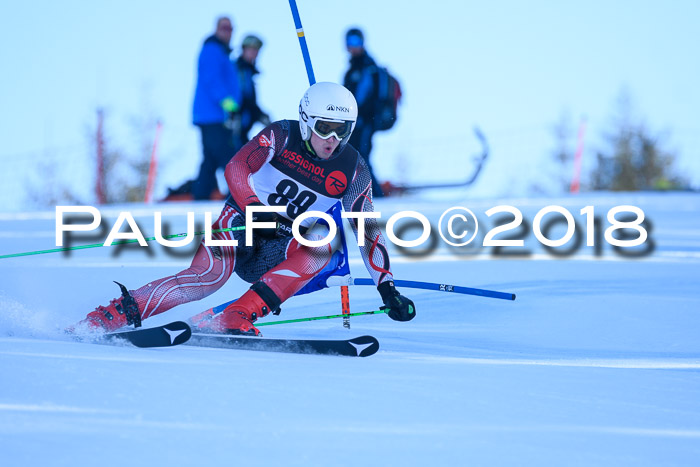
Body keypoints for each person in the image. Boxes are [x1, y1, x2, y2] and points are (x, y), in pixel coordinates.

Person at [72, 82, 416, 336]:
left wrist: (386, 286)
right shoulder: (281, 135)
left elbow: (368, 229)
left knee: (324, 245)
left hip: (281, 247)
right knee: (207, 279)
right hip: (242, 223)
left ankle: (238, 314)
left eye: (342, 130)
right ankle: (112, 315)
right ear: (306, 120)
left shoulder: (353, 168)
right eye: (324, 127)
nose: (332, 139)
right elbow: (236, 168)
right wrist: (254, 210)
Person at [191, 16, 241, 201]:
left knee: (210, 160)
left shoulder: (220, 51)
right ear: (216, 29)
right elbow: (212, 81)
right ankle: (236, 196)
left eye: (230, 28)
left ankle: (200, 196)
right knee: (228, 157)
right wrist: (230, 105)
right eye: (224, 28)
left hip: (211, 116)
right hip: (212, 116)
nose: (227, 32)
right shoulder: (212, 50)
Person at [343, 27, 383, 198]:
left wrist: (358, 117)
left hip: (364, 123)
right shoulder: (353, 69)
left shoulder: (367, 68)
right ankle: (359, 195)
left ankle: (378, 197)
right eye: (350, 42)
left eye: (356, 42)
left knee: (361, 158)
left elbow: (361, 98)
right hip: (356, 124)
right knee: (353, 158)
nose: (353, 46)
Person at [231, 34, 271, 153]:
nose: (254, 53)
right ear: (243, 49)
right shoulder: (237, 69)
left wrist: (259, 114)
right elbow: (241, 98)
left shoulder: (248, 71)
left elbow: (250, 101)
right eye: (251, 49)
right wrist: (234, 113)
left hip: (243, 126)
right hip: (234, 127)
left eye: (257, 50)